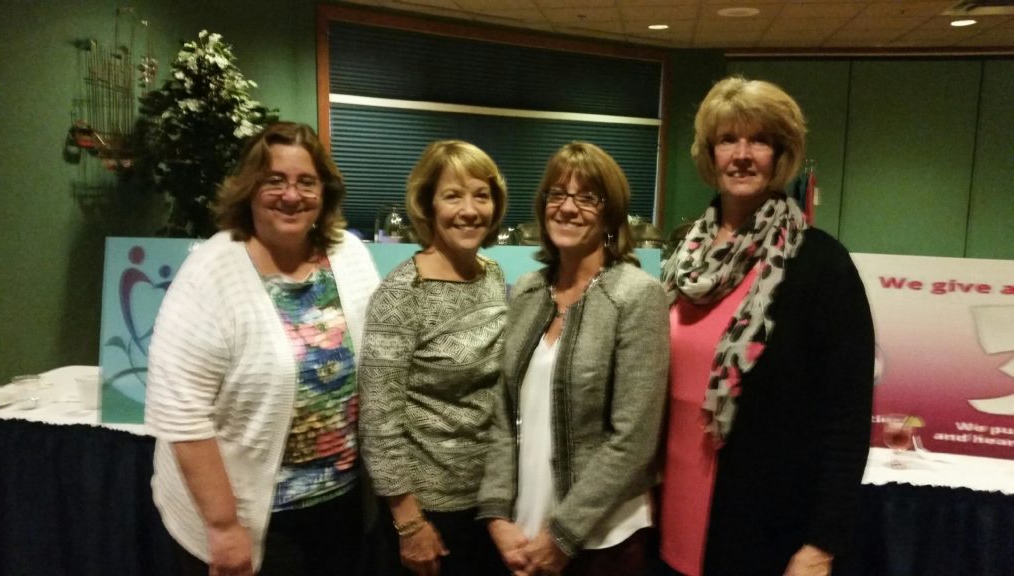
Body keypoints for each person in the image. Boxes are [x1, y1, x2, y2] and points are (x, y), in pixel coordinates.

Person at [656, 76, 875, 576]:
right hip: (669, 509)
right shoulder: (683, 255)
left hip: (765, 526)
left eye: (759, 140)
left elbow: (846, 419)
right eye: (727, 139)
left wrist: (821, 545)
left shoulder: (821, 265)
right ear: (710, 154)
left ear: (782, 155)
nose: (742, 154)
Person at [145, 122, 380, 576]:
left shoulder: (349, 255)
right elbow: (181, 410)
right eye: (275, 180)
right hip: (250, 516)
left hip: (340, 506)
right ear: (249, 188)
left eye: (306, 182)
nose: (291, 196)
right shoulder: (211, 272)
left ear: (324, 192)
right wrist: (224, 525)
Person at [478, 141, 669, 576]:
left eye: (587, 197)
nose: (568, 207)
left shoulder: (637, 296)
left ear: (609, 214)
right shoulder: (527, 290)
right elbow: (504, 415)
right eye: (557, 195)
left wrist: (563, 536)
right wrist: (496, 516)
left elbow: (634, 440)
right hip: (521, 530)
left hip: (604, 540)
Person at [359, 140, 510, 576]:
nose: (469, 210)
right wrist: (409, 524)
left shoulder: (491, 274)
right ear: (427, 205)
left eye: (481, 195)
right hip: (428, 514)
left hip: (492, 501)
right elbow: (378, 418)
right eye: (453, 195)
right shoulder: (401, 295)